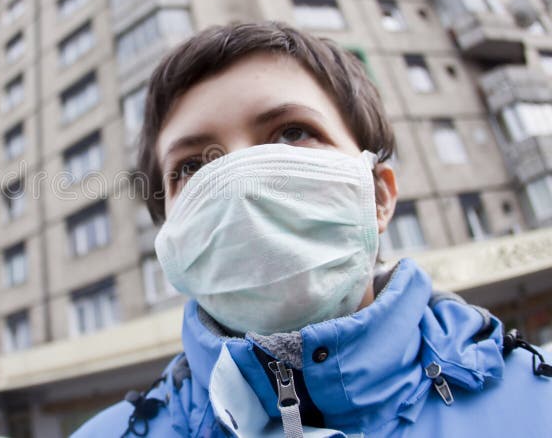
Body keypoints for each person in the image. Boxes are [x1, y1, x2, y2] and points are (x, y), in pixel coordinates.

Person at [73, 22, 552, 437]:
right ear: (170, 242)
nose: (242, 184)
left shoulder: (538, 402)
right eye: (193, 167)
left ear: (379, 195)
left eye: (291, 132)